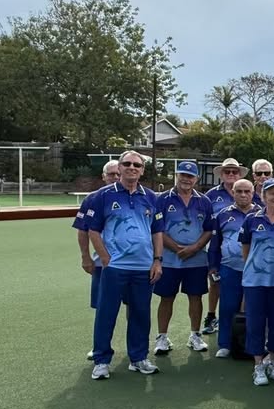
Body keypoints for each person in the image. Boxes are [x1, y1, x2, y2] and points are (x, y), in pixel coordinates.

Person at [86, 150, 164, 380]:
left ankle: (138, 358)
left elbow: (157, 231)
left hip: (143, 268)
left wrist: (157, 261)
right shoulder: (103, 196)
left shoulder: (151, 197)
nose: (132, 168)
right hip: (115, 268)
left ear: (142, 170)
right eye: (127, 164)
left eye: (137, 165)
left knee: (141, 314)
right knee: (106, 314)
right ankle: (101, 360)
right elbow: (93, 230)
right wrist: (106, 259)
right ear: (119, 168)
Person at [154, 161, 214, 356]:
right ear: (176, 176)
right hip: (170, 259)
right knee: (166, 298)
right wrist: (177, 248)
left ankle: (195, 335)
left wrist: (195, 247)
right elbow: (156, 229)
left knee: (195, 297)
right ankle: (162, 337)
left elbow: (209, 229)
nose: (186, 179)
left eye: (190, 176)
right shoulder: (162, 199)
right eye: (182, 175)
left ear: (196, 179)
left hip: (196, 259)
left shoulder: (204, 201)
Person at [239, 179, 274, 386]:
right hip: (255, 281)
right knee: (255, 323)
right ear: (262, 196)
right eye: (272, 193)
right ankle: (258, 364)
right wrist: (254, 268)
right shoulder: (251, 220)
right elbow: (246, 250)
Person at [72, 159, 119, 360]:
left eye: (118, 174)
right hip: (103, 264)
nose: (115, 178)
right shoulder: (93, 199)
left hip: (133, 264)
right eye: (111, 174)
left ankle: (135, 348)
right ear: (103, 176)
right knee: (103, 307)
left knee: (134, 307)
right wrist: (85, 257)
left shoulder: (137, 196)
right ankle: (100, 346)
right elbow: (83, 231)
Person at [208, 178, 257, 358]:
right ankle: (225, 344)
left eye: (247, 191)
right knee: (228, 306)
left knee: (253, 308)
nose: (243, 195)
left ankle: (251, 344)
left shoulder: (260, 214)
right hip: (229, 268)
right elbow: (215, 243)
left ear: (253, 193)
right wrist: (213, 266)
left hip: (255, 271)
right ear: (233, 193)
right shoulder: (222, 214)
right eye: (239, 191)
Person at [203, 158, 253, 334]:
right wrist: (213, 264)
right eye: (227, 171)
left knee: (249, 303)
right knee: (225, 298)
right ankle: (218, 329)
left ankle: (246, 339)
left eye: (234, 171)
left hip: (252, 265)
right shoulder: (211, 196)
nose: (231, 174)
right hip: (225, 260)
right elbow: (210, 230)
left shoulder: (257, 210)